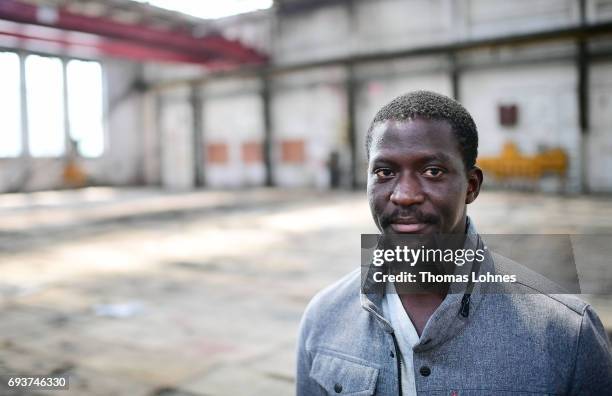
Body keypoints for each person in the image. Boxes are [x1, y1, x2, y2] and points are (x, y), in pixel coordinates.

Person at [296, 90, 612, 395]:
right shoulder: (324, 318)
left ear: (471, 186)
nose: (405, 195)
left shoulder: (567, 333)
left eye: (432, 171)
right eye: (384, 172)